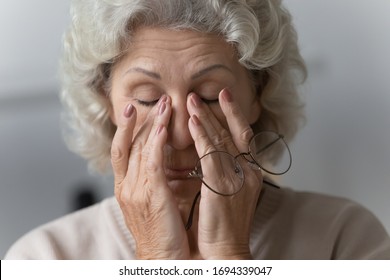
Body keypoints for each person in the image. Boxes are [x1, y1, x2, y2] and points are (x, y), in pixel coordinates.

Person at [5, 0, 390, 260]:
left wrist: (228, 254)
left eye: (207, 98)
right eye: (147, 99)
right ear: (106, 102)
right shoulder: (44, 257)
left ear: (259, 93)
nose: (179, 136)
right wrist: (159, 259)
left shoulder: (345, 240)